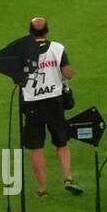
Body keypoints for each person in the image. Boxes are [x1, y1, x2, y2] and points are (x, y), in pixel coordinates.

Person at [20, 16, 81, 197]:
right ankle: (68, 177)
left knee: (36, 147)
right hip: (54, 101)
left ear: (29, 33)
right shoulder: (57, 48)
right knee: (62, 142)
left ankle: (42, 189)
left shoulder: (24, 51)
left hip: (32, 102)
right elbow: (68, 74)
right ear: (47, 32)